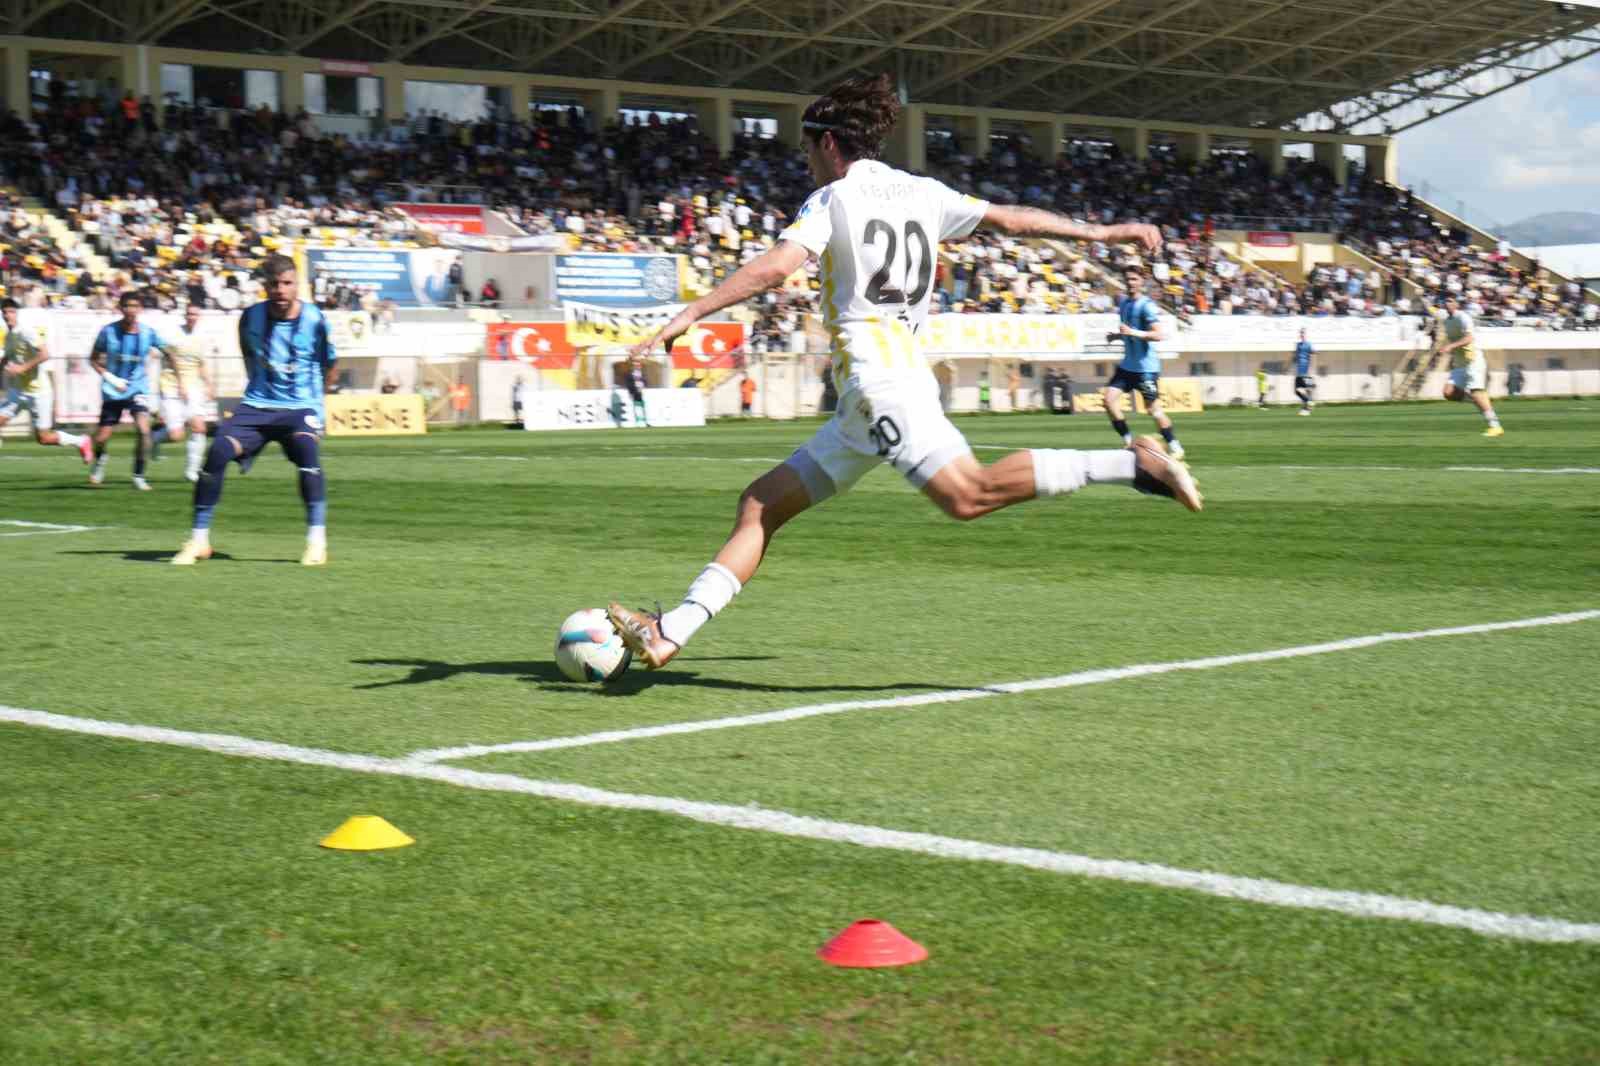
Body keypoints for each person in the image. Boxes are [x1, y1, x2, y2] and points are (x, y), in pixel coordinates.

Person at [604, 74, 1199, 671]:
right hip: (870, 395)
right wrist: (1100, 231)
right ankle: (669, 632)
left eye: (808, 148)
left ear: (830, 142)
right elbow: (1013, 221)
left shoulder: (833, 199)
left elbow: (775, 270)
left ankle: (1133, 464)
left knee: (969, 495)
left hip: (879, 378)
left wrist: (691, 312)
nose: (807, 161)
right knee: (761, 504)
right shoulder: (923, 192)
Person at [172, 254, 337, 566]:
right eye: (274, 284)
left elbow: (329, 363)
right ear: (265, 286)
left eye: (287, 283)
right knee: (218, 451)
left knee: (306, 450)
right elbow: (250, 357)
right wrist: (259, 392)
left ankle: (317, 542)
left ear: (297, 285)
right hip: (258, 404)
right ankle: (198, 540)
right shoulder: (250, 318)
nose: (280, 290)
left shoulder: (315, 319)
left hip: (301, 406)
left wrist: (317, 406)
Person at [88, 290, 176, 491]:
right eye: (127, 306)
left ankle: (139, 474)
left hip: (138, 388)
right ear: (121, 308)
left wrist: (172, 370)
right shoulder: (107, 332)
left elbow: (168, 351)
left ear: (140, 309)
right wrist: (111, 378)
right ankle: (100, 460)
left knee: (144, 430)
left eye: (135, 306)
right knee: (101, 438)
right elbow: (93, 359)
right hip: (113, 391)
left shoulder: (148, 333)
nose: (131, 310)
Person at [1103, 266, 1184, 458]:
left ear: (1141, 282)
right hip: (1126, 367)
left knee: (1153, 410)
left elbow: (1159, 335)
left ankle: (1174, 445)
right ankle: (1129, 442)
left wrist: (1133, 333)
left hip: (1146, 369)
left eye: (1134, 279)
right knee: (1108, 401)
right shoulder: (1123, 304)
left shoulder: (1146, 305)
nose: (1130, 283)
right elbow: (1128, 333)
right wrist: (1116, 336)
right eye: (1128, 279)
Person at [0, 298, 93, 465]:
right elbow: (6, 358)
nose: (8, 315)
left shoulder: (26, 332)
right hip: (18, 391)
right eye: (4, 312)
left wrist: (22, 368)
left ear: (17, 313)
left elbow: (45, 354)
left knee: (44, 438)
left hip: (38, 392)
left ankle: (81, 441)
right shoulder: (8, 337)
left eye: (11, 312)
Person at [150, 302, 217, 481]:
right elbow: (169, 359)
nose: (191, 317)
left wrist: (209, 385)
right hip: (171, 386)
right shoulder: (173, 334)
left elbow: (201, 364)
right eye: (189, 314)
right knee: (176, 435)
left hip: (194, 387)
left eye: (195, 314)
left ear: (199, 317)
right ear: (185, 315)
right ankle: (154, 438)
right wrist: (179, 384)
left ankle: (192, 472)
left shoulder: (202, 338)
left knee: (199, 427)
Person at [1438, 295, 1503, 437]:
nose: (1447, 303)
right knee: (1448, 393)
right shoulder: (1447, 321)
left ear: (1456, 304)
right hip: (1460, 364)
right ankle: (1477, 401)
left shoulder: (1463, 317)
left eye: (1450, 300)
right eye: (1445, 301)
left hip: (1473, 361)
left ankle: (1495, 426)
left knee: (1477, 391)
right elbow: (1454, 342)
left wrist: (1450, 346)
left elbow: (1469, 338)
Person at [1292, 328, 1316, 416]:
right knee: (1297, 391)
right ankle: (1307, 404)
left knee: (1307, 390)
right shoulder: (1298, 345)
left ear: (1306, 335)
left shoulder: (1308, 345)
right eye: (1301, 333)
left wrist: (1312, 370)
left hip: (1306, 371)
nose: (1301, 335)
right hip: (1299, 371)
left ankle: (1306, 408)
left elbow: (1313, 355)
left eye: (1303, 333)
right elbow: (1295, 358)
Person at [624, 355, 649, 426]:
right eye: (636, 365)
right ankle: (637, 421)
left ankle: (644, 421)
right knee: (636, 407)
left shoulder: (642, 374)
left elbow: (645, 381)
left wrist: (644, 386)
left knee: (643, 406)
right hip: (635, 392)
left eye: (638, 365)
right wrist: (630, 392)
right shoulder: (631, 374)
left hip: (641, 391)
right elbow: (629, 384)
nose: (638, 366)